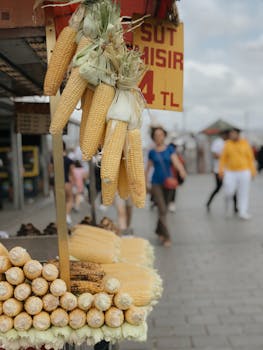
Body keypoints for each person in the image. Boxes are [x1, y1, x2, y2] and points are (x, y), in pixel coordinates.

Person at [145, 126, 186, 247]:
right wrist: (145, 182)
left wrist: (182, 171)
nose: (159, 137)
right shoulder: (152, 152)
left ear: (164, 136)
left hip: (168, 182)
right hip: (156, 183)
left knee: (165, 210)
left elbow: (176, 162)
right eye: (156, 135)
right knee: (162, 209)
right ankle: (166, 237)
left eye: (161, 135)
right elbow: (148, 168)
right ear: (153, 138)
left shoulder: (169, 150)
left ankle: (158, 230)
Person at [219, 128, 257, 220]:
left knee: (243, 192)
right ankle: (227, 206)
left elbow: (250, 158)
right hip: (230, 172)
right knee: (229, 191)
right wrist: (221, 171)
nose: (231, 135)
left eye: (233, 134)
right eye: (230, 134)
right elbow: (223, 159)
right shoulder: (227, 144)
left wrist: (253, 171)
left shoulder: (245, 144)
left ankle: (243, 212)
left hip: (244, 171)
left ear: (238, 134)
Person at [206, 130, 237, 212]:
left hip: (230, 170)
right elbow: (215, 154)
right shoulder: (218, 142)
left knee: (233, 188)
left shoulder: (230, 143)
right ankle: (208, 203)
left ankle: (236, 207)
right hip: (218, 170)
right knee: (218, 188)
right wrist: (226, 157)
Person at [49, 142, 75, 225]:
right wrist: (73, 183)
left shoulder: (53, 159)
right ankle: (66, 215)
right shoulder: (69, 160)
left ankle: (59, 221)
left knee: (58, 203)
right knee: (70, 200)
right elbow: (72, 173)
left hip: (56, 183)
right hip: (66, 183)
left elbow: (50, 170)